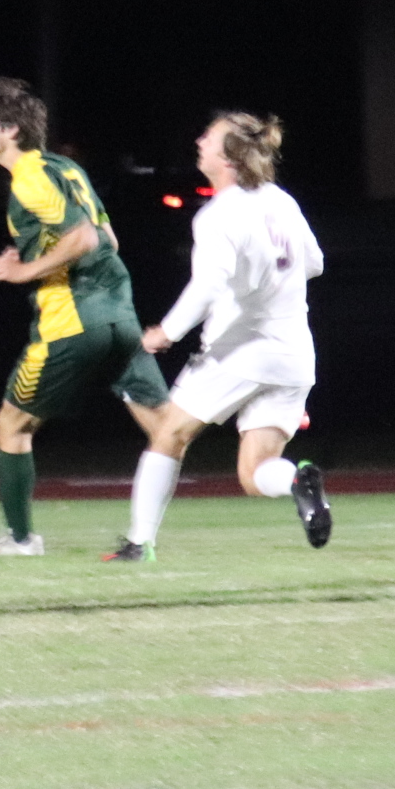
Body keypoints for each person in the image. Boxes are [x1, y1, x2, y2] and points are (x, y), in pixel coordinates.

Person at [0, 76, 172, 556]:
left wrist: (22, 271)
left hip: (71, 323)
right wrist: (38, 249)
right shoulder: (66, 167)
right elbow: (110, 239)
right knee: (169, 430)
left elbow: (85, 239)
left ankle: (21, 539)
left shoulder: (32, 175)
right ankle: (275, 478)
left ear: (11, 130)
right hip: (120, 315)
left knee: (11, 424)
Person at [112, 112, 331, 560]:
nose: (199, 141)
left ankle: (139, 543)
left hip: (241, 351)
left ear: (229, 157)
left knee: (169, 434)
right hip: (294, 356)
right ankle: (297, 479)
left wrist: (165, 333)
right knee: (255, 474)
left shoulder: (218, 215)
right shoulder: (280, 200)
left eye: (208, 138)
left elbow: (207, 287)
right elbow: (315, 263)